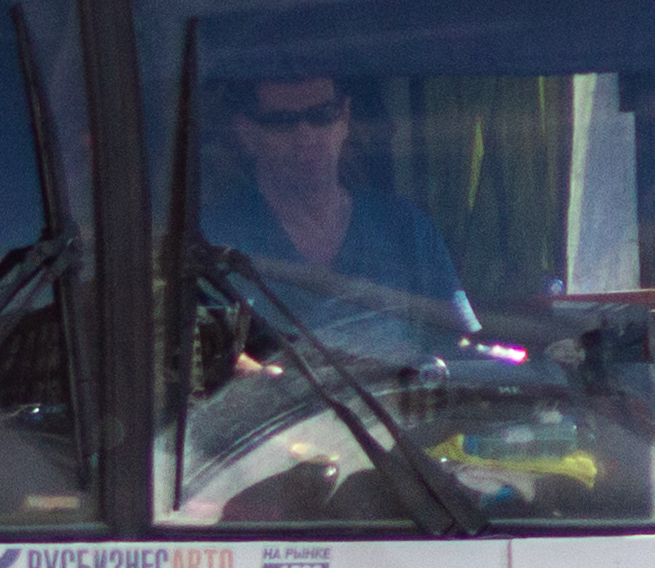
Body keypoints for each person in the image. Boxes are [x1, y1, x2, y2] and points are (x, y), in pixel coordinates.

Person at [187, 69, 475, 355]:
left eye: (322, 115)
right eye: (284, 122)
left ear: (345, 119)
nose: (306, 136)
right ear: (247, 134)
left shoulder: (406, 228)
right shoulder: (211, 244)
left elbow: (461, 349)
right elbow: (200, 367)